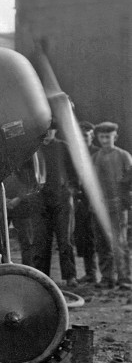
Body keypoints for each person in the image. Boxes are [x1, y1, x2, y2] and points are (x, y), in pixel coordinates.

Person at [36, 123, 79, 286]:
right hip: (40, 201)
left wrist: (72, 189)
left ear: (56, 130)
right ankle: (42, 278)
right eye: (44, 130)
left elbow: (74, 171)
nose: (48, 133)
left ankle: (70, 277)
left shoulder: (63, 147)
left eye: (51, 130)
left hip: (62, 200)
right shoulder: (34, 148)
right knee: (42, 242)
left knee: (65, 240)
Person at [92, 122, 132, 290]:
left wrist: (124, 201)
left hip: (118, 206)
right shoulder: (95, 157)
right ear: (98, 138)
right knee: (102, 243)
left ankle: (125, 278)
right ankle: (107, 278)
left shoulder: (124, 156)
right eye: (102, 137)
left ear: (115, 137)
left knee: (119, 243)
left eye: (108, 137)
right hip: (100, 207)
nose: (105, 140)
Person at [74, 121, 99, 283]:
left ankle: (97, 273)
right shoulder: (75, 152)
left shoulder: (98, 153)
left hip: (96, 200)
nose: (83, 138)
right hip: (80, 199)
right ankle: (90, 272)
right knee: (83, 236)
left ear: (92, 136)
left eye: (86, 135)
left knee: (95, 237)